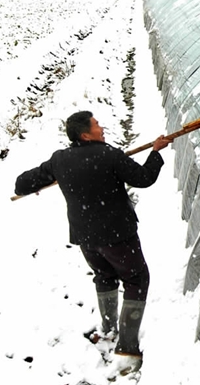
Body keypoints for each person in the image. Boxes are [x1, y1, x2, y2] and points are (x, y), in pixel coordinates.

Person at [14, 111, 172, 368]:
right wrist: (156, 152)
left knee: (105, 276)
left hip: (86, 238)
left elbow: (22, 184)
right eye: (97, 125)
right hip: (117, 236)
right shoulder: (109, 155)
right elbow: (144, 178)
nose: (102, 128)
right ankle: (128, 347)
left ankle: (109, 329)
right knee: (136, 278)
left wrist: (43, 182)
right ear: (85, 134)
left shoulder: (60, 160)